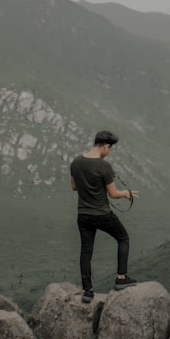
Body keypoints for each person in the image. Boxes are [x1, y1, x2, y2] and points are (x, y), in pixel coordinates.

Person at [70, 130, 140, 303]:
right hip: (102, 214)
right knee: (123, 238)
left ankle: (88, 291)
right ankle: (121, 279)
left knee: (86, 251)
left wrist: (88, 186)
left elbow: (74, 187)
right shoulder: (104, 166)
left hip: (83, 215)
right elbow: (113, 194)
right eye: (110, 149)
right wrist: (126, 193)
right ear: (106, 147)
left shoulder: (76, 162)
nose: (109, 152)